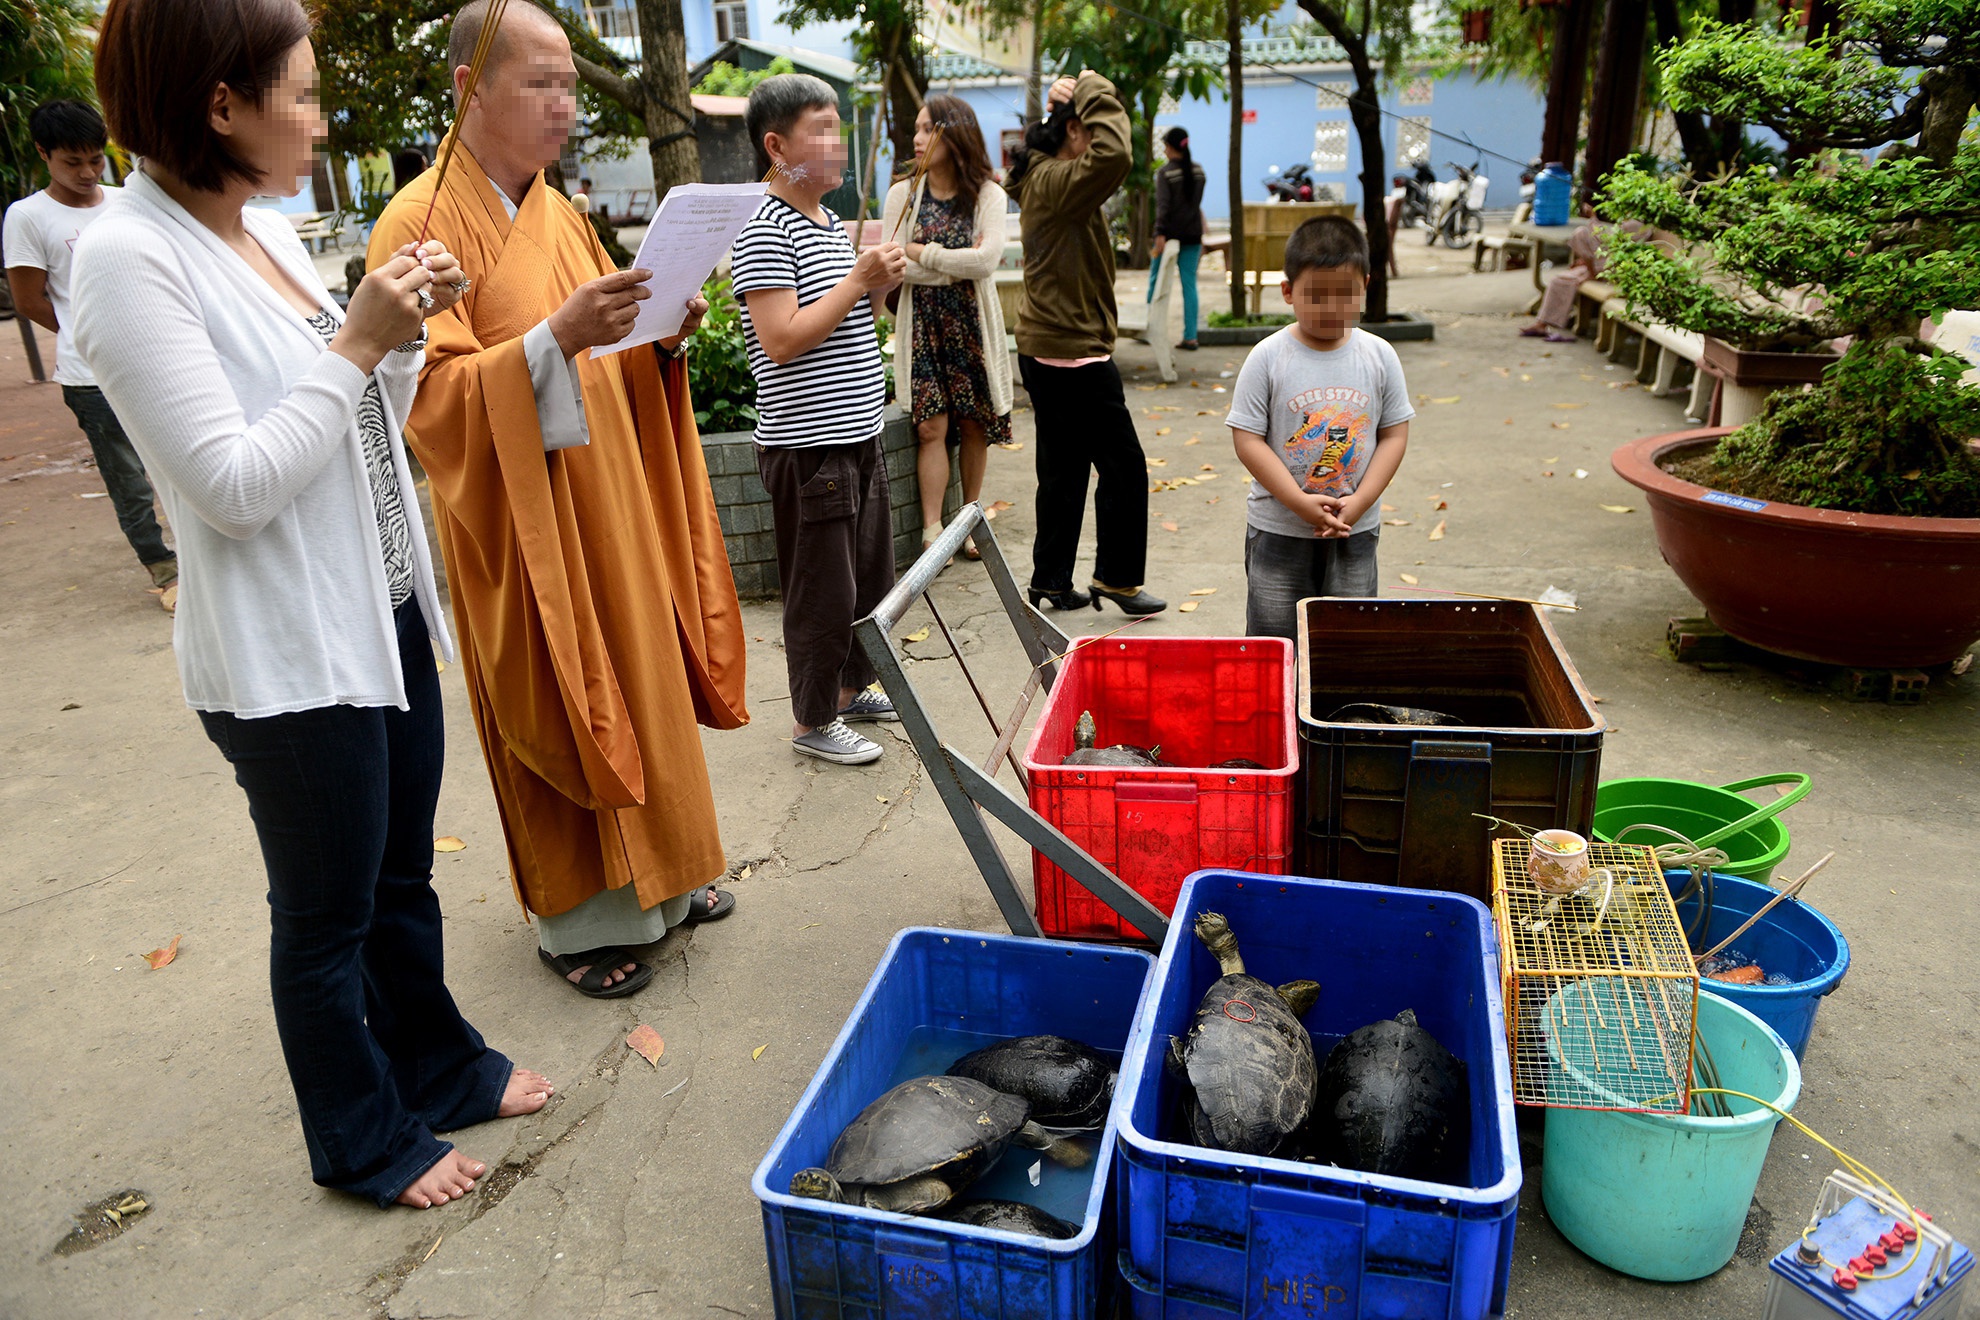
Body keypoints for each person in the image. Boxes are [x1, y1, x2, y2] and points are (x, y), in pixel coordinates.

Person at [73, 0, 551, 1210]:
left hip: (379, 611)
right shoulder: (128, 261)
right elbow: (231, 489)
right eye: (298, 94)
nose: (320, 115)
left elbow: (359, 420)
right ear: (219, 105)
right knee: (327, 916)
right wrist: (356, 344)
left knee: (402, 882)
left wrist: (396, 338)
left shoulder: (262, 228)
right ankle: (361, 1138)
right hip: (290, 657)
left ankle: (436, 1065)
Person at [368, 0, 745, 1000]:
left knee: (641, 671)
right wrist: (554, 341)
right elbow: (429, 400)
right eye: (541, 81)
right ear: (469, 89)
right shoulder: (414, 226)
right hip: (525, 522)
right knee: (563, 691)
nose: (565, 103)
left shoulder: (559, 210)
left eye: (573, 81)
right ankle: (584, 923)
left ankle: (672, 876)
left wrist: (660, 327)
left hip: (609, 494)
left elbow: (606, 341)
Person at [732, 73, 906, 766]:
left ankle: (846, 690)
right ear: (777, 146)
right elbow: (781, 338)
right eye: (820, 130)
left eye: (840, 126)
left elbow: (840, 320)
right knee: (820, 593)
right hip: (809, 447)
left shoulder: (829, 224)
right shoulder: (763, 227)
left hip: (856, 435)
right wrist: (857, 283)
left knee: (866, 578)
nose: (837, 143)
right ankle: (811, 719)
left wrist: (874, 286)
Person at [4, 99, 177, 594]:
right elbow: (29, 299)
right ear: (43, 153)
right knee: (128, 477)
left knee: (175, 464)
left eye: (94, 159)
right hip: (90, 377)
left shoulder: (126, 202)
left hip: (153, 365)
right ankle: (164, 570)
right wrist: (98, 334)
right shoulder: (28, 216)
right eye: (71, 162)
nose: (86, 172)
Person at [1009, 72, 1165, 617]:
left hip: (1047, 346)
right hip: (1070, 352)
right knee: (1124, 466)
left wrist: (1082, 100)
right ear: (1074, 129)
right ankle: (1118, 579)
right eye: (1086, 129)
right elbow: (1115, 154)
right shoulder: (1056, 181)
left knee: (1064, 468)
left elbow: (1105, 156)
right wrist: (1094, 88)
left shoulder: (1046, 178)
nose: (1092, 142)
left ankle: (1051, 577)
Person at [1227, 216, 1413, 640]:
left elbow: (1394, 436)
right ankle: (1279, 709)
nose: (1333, 308)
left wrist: (1361, 501)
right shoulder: (1268, 357)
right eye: (1318, 296)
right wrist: (1297, 502)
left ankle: (1334, 711)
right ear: (1289, 291)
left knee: (1345, 640)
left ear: (1365, 285)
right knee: (1276, 640)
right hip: (1279, 529)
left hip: (1355, 529)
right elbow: (1248, 440)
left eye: (1346, 295)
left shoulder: (1380, 357)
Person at [881, 95, 1011, 562]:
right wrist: (952, 265)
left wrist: (923, 252)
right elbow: (893, 265)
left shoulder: (988, 194)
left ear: (954, 133)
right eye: (915, 129)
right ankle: (933, 530)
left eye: (926, 129)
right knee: (931, 427)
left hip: (971, 324)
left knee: (975, 426)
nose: (916, 139)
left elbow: (986, 261)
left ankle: (968, 522)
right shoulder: (903, 194)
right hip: (924, 326)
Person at [1149, 124, 1206, 352]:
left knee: (1155, 281)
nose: (1164, 151)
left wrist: (1159, 233)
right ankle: (1190, 336)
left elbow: (1163, 207)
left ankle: (1148, 328)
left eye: (1165, 146)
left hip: (1168, 238)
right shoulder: (1199, 172)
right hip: (1193, 235)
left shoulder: (1165, 173)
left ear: (1171, 147)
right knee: (1189, 286)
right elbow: (1193, 206)